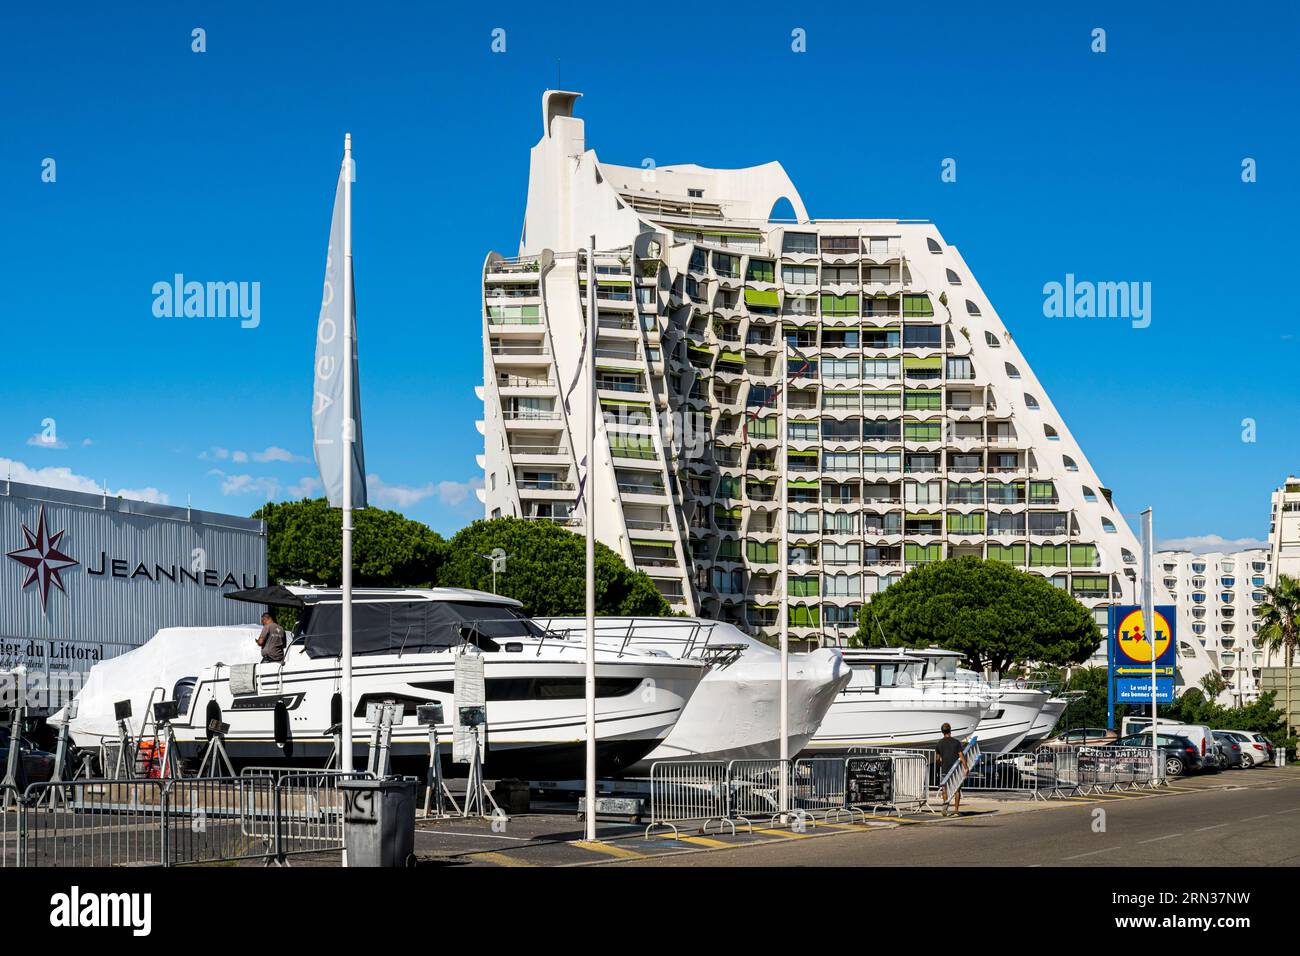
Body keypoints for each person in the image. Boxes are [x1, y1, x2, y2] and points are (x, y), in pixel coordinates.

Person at [935, 722, 968, 817]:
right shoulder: (956, 742)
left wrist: (939, 765)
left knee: (944, 790)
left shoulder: (939, 743)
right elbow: (961, 756)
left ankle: (945, 807)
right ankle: (956, 810)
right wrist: (966, 768)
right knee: (957, 790)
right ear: (950, 730)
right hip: (955, 770)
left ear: (942, 732)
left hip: (945, 770)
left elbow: (937, 759)